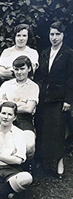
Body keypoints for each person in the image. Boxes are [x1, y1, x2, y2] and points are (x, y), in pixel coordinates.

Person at [34, 21, 73, 178]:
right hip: (44, 96)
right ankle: (42, 160)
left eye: (58, 34)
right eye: (52, 34)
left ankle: (59, 161)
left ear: (63, 35)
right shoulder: (44, 53)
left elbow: (71, 78)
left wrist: (68, 100)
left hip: (60, 98)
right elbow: (40, 76)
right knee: (42, 127)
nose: (54, 37)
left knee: (57, 130)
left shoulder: (69, 53)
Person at [0, 55, 38, 159]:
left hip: (24, 120)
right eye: (16, 69)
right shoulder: (6, 85)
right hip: (5, 119)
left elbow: (29, 109)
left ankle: (27, 167)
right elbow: (0, 105)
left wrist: (8, 103)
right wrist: (21, 105)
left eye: (22, 69)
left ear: (29, 69)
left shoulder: (33, 86)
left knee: (29, 145)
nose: (19, 72)